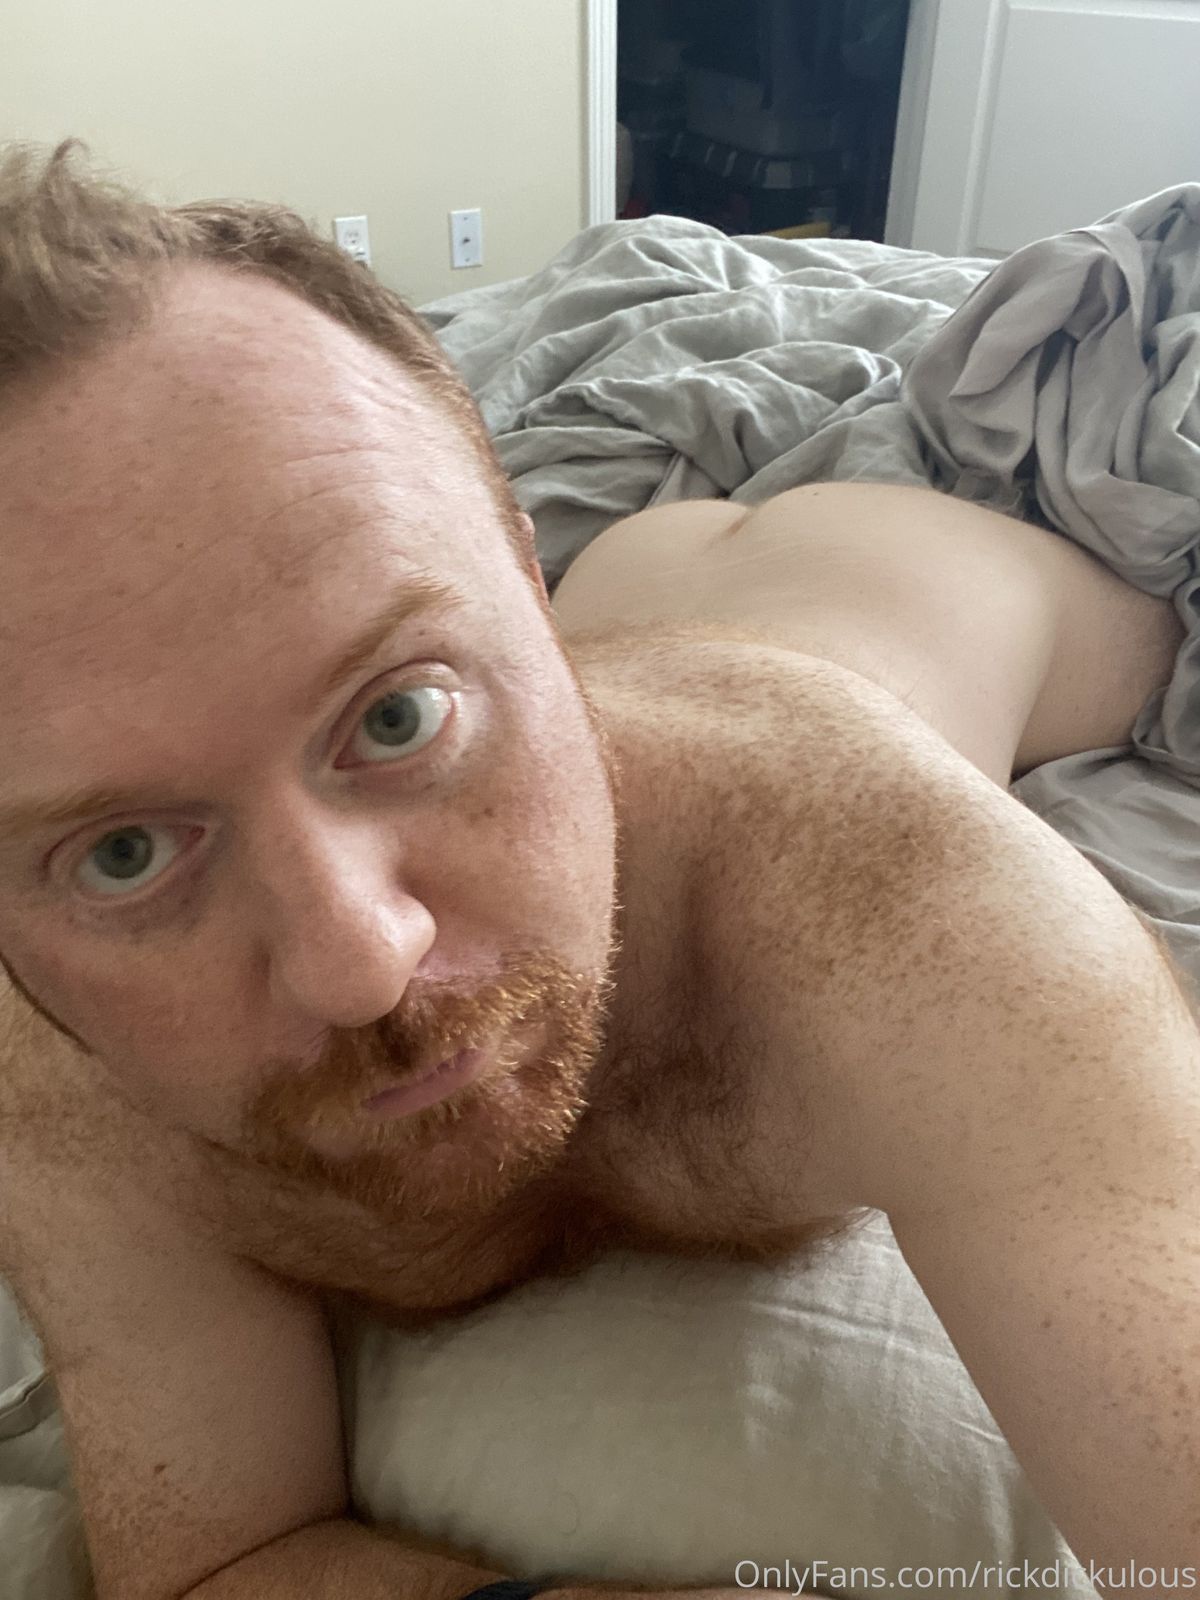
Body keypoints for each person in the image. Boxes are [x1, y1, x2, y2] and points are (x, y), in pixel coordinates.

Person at [0, 141, 1195, 1600]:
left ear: (527, 570)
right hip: (643, 581)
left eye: (399, 715)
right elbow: (218, 1564)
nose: (360, 962)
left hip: (932, 589)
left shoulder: (923, 924)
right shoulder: (60, 1069)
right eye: (125, 854)